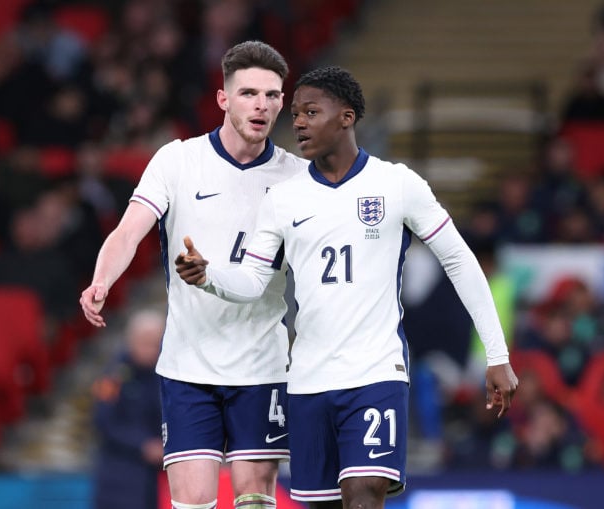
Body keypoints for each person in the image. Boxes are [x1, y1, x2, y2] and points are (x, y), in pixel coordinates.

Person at [176, 66, 519, 508]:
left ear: (347, 116)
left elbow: (459, 260)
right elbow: (255, 280)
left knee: (363, 493)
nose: (297, 122)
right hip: (307, 381)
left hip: (375, 373)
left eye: (311, 111)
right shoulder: (283, 199)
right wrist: (209, 277)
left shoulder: (397, 185)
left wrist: (497, 355)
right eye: (295, 113)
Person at [80, 40, 306, 509]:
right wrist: (102, 280)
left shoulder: (297, 179)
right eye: (248, 93)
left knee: (254, 498)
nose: (260, 105)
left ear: (282, 101)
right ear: (224, 99)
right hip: (188, 365)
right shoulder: (178, 161)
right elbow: (128, 232)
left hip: (262, 363)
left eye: (271, 95)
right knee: (193, 500)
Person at [92, 309, 165, 509]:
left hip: (152, 479)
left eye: (156, 343)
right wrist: (143, 445)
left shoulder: (163, 374)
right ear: (131, 339)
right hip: (118, 473)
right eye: (145, 342)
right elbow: (103, 421)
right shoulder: (112, 376)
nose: (151, 349)